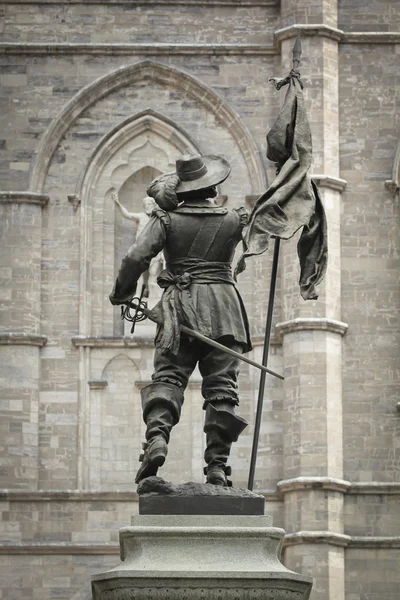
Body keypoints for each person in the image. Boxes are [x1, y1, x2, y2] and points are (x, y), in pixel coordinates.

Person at [109, 155, 251, 487]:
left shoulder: (166, 220)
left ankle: (156, 440)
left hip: (179, 311)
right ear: (213, 187)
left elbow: (135, 256)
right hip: (224, 311)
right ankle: (217, 465)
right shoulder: (234, 218)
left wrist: (121, 292)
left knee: (169, 378)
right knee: (222, 388)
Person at [111, 190, 163, 299]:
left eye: (149, 204)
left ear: (154, 205)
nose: (147, 206)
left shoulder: (158, 219)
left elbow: (163, 237)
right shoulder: (140, 217)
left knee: (153, 275)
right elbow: (127, 215)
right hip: (141, 251)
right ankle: (137, 296)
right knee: (138, 276)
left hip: (155, 251)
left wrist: (162, 254)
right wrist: (118, 203)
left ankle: (154, 299)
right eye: (145, 205)